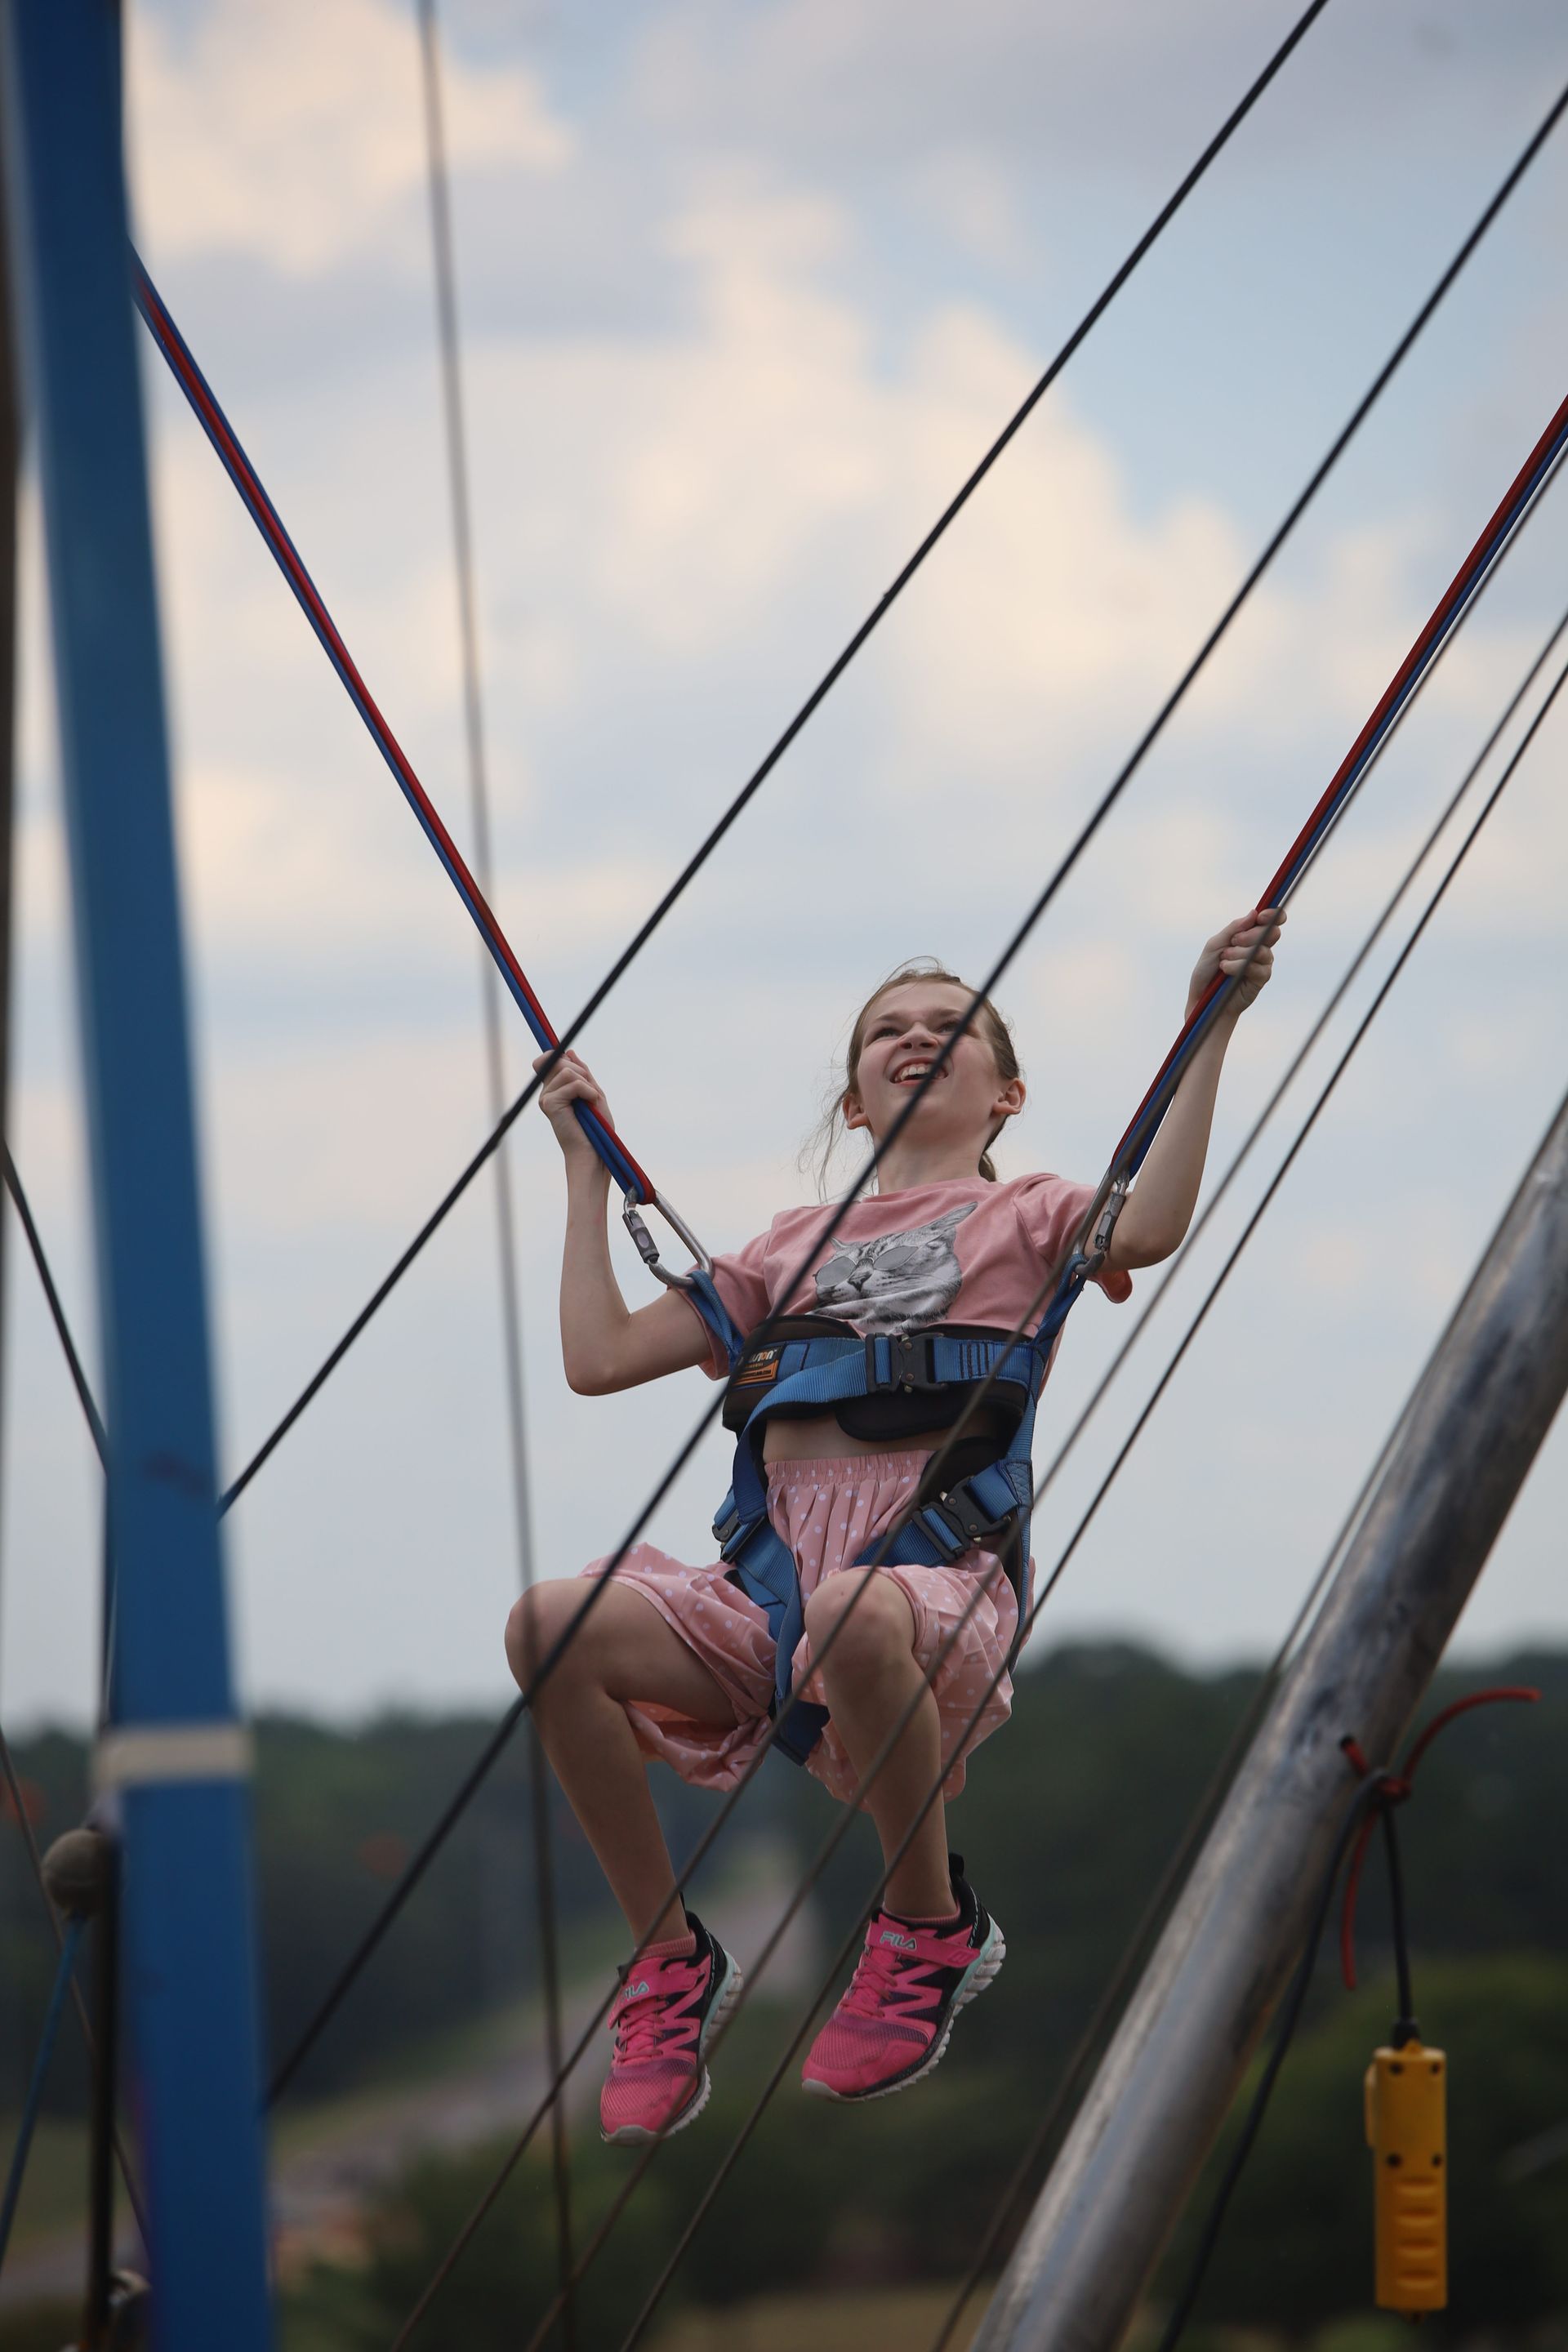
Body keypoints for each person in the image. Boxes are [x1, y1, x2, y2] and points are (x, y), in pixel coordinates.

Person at [508, 907, 1283, 2142]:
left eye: (951, 1027)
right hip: (767, 1595)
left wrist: (1211, 1025)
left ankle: (926, 1925)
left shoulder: (1030, 1216)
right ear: (855, 1102)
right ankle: (667, 1967)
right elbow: (597, 1359)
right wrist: (583, 1169)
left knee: (850, 1609)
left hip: (929, 1582)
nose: (917, 1038)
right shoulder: (782, 1253)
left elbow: (1148, 1227)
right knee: (550, 1625)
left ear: (1007, 1091)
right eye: (887, 1031)